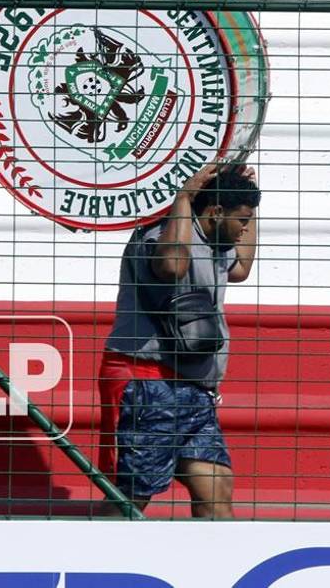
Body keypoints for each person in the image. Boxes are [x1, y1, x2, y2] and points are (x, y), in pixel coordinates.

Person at [98, 163, 260, 518]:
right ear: (215, 213)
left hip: (194, 388)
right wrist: (183, 197)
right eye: (242, 220)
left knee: (217, 493)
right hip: (146, 381)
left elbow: (242, 268)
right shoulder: (162, 235)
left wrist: (249, 194)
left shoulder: (218, 240)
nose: (246, 229)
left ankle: (214, 569)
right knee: (129, 496)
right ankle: (94, 566)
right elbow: (172, 265)